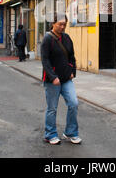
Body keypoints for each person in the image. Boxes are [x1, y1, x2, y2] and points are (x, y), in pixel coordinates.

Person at [40, 13, 81, 145]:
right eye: (60, 24)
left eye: (64, 24)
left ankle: (70, 133)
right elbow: (45, 60)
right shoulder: (47, 39)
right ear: (53, 23)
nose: (62, 27)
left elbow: (72, 57)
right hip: (53, 81)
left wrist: (72, 72)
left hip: (66, 79)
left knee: (73, 103)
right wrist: (53, 77)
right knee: (52, 108)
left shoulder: (67, 38)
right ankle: (50, 134)